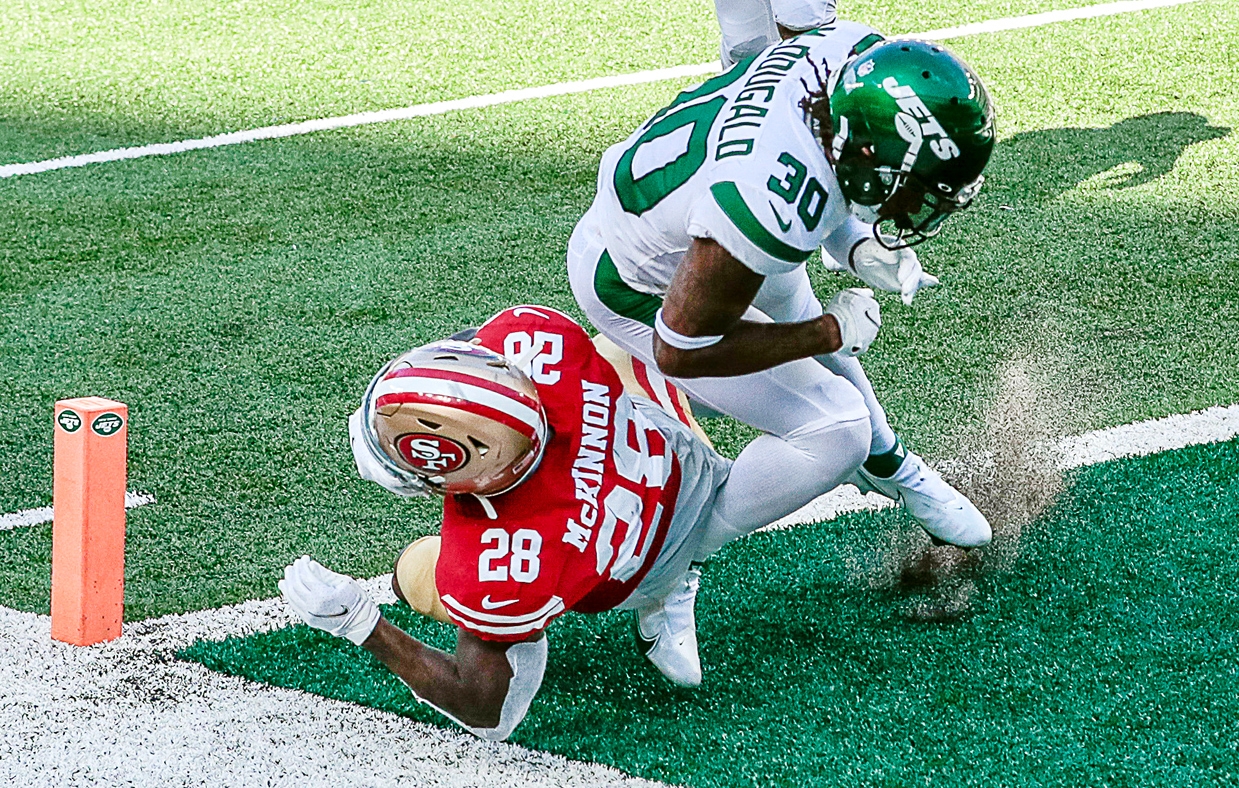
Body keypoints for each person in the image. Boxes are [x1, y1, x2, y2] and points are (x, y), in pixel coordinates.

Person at [567, 24, 999, 574]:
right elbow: (684, 348)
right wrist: (828, 333)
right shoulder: (767, 204)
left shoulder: (855, 58)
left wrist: (858, 245)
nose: (921, 200)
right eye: (918, 183)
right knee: (837, 428)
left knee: (799, 310)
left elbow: (825, 172)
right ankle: (672, 568)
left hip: (697, 216)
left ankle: (891, 465)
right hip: (641, 283)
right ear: (872, 153)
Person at [278, 305, 746, 741]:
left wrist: (363, 624)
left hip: (636, 568)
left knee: (418, 577)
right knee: (651, 330)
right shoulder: (535, 338)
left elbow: (490, 714)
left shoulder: (504, 565)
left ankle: (672, 582)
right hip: (666, 461)